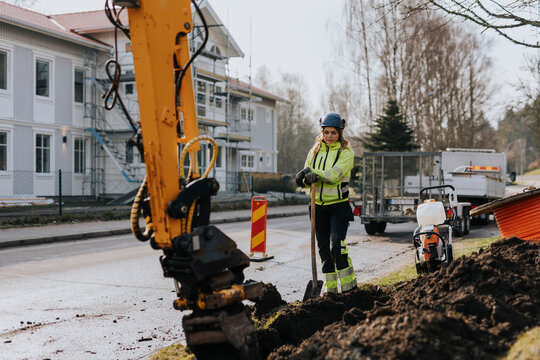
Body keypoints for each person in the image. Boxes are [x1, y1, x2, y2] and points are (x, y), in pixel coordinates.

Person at [295, 112, 357, 293]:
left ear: (340, 133)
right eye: (326, 132)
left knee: (337, 246)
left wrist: (312, 172)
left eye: (333, 133)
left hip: (338, 206)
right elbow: (307, 177)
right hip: (317, 207)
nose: (329, 136)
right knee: (324, 251)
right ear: (322, 132)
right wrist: (304, 178)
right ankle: (330, 292)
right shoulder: (314, 151)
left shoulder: (346, 153)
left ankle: (349, 289)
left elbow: (332, 176)